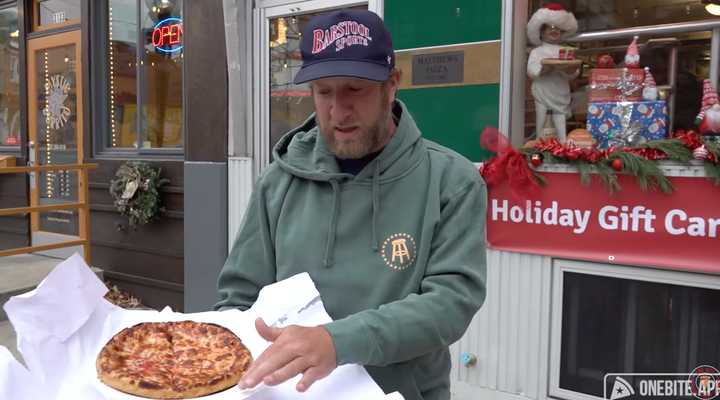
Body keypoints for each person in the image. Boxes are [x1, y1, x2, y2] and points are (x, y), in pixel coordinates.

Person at [215, 9, 487, 400]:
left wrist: (336, 341)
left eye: (355, 89)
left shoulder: (451, 181)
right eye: (324, 91)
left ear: (392, 84)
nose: (338, 111)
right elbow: (239, 299)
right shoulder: (278, 181)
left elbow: (449, 305)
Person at [526, 3, 580, 142]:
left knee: (560, 117)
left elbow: (572, 72)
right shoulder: (537, 52)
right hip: (543, 90)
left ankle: (562, 144)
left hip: (560, 90)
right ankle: (540, 143)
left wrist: (571, 70)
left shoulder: (565, 50)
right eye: (549, 28)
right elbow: (532, 70)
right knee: (542, 118)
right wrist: (543, 69)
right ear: (541, 31)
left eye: (557, 28)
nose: (553, 30)